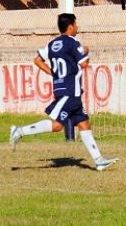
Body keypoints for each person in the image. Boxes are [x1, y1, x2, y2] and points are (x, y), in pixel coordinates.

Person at [9, 13, 117, 171]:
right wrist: (85, 52)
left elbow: (37, 60)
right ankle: (19, 131)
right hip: (70, 91)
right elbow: (84, 64)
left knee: (84, 123)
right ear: (70, 26)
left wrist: (53, 73)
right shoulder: (73, 42)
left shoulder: (53, 43)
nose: (77, 27)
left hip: (64, 89)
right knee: (57, 125)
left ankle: (99, 160)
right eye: (76, 24)